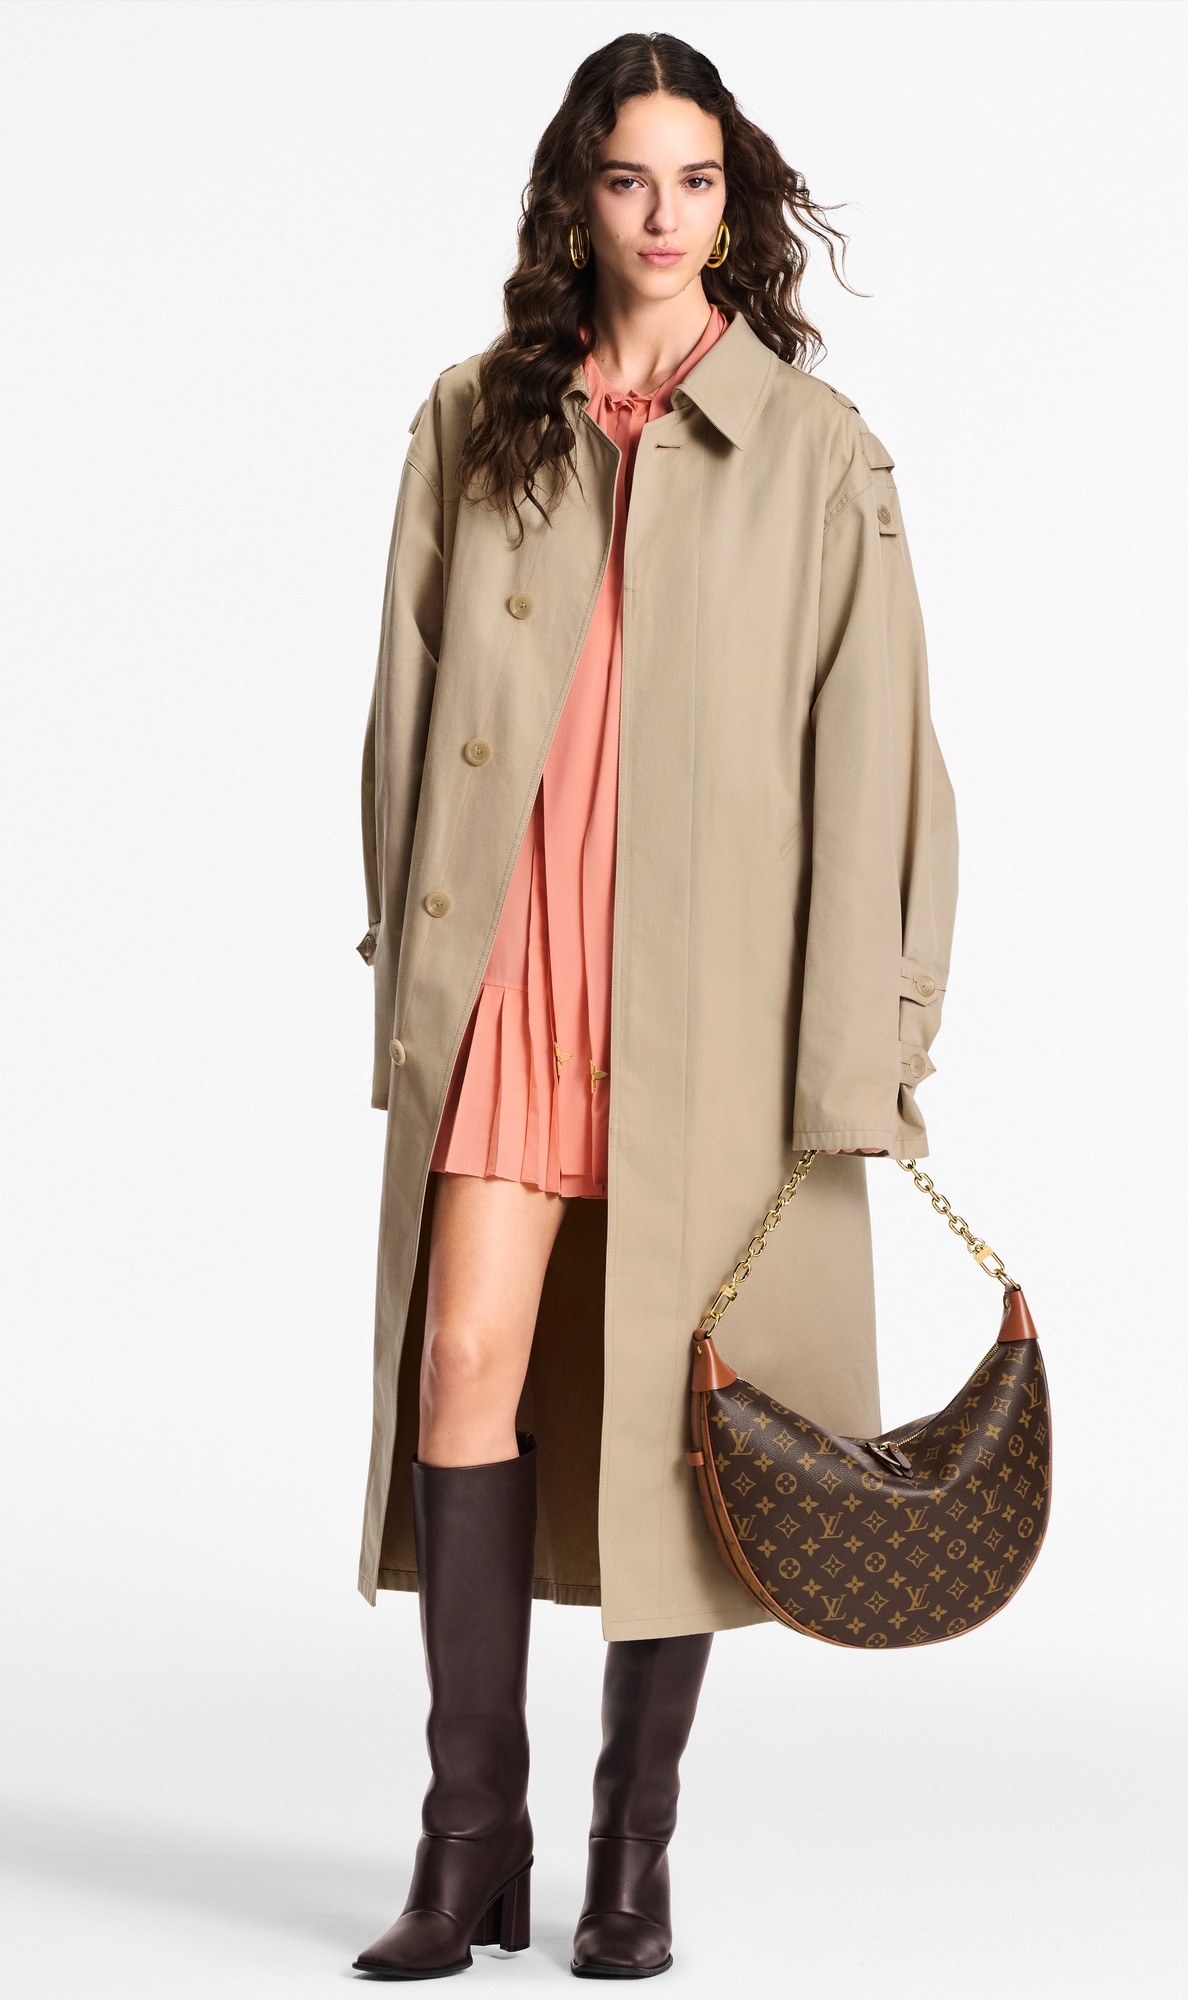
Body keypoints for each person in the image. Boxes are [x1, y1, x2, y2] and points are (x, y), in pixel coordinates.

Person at [352, 31, 956, 1981]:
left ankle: (634, 1855)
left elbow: (882, 763)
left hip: (711, 1001)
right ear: (578, 199)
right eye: (630, 179)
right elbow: (403, 708)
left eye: (697, 181)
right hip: (517, 968)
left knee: (675, 1426)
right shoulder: (477, 420)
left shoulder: (816, 452)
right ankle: (470, 1841)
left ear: (734, 202)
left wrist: (865, 1044)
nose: (664, 215)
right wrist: (406, 963)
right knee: (462, 1368)